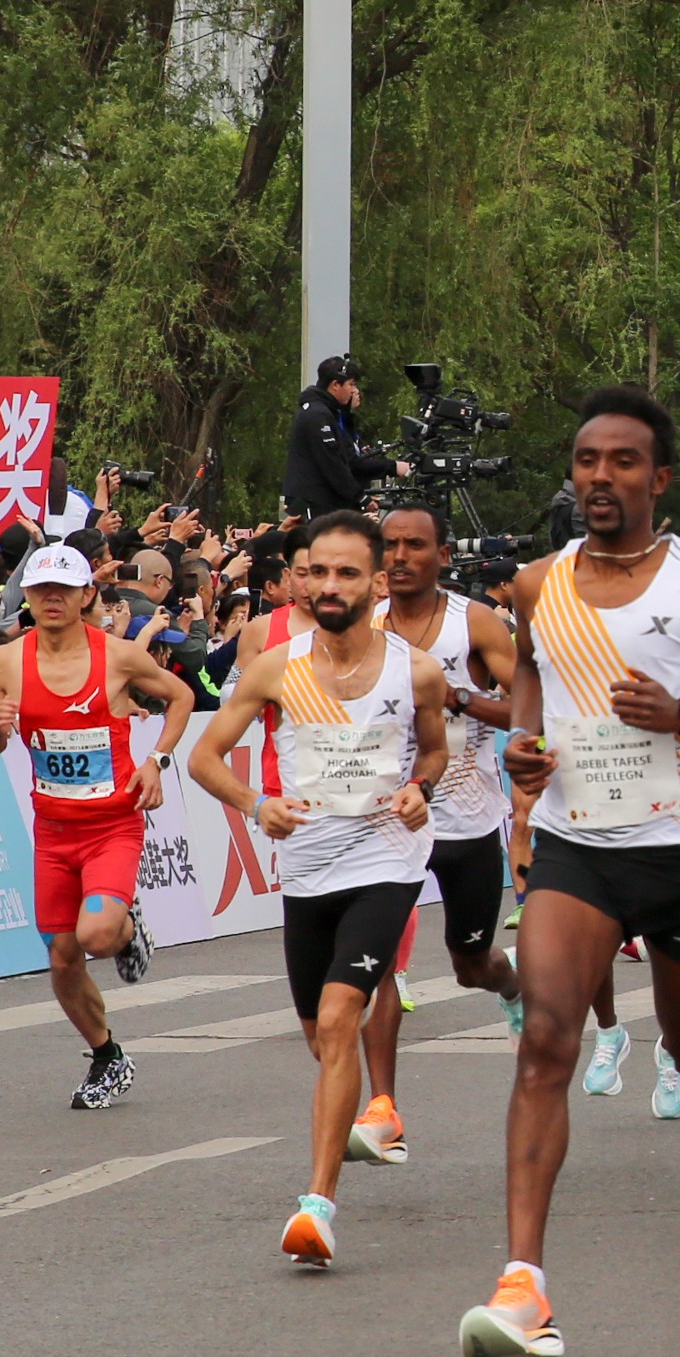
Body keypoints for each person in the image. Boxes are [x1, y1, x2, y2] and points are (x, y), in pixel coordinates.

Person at [455, 387, 680, 1357]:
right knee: (545, 1039)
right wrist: (525, 748)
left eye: (623, 462)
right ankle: (524, 1284)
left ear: (659, 479)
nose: (600, 478)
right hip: (580, 849)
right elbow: (531, 675)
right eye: (586, 461)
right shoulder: (539, 584)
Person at [185, 513, 449, 1265]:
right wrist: (254, 803)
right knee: (319, 1035)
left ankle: (317, 1206)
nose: (329, 585)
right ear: (302, 579)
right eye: (317, 572)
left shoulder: (415, 670)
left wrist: (420, 788)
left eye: (346, 573)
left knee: (340, 1019)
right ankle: (355, 1113)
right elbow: (206, 757)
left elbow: (433, 750)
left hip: (386, 859)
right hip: (305, 869)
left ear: (376, 581)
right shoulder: (276, 666)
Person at [0, 543, 197, 1108]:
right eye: (41, 589)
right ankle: (106, 1056)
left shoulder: (118, 657)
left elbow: (181, 696)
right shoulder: (5, 661)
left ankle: (125, 924)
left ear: (85, 595)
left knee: (97, 935)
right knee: (62, 956)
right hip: (51, 831)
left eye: (64, 590)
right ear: (26, 596)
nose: (52, 599)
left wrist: (157, 761)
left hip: (112, 825)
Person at [349, 504, 526, 1158]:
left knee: (470, 959)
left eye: (414, 545)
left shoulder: (473, 622)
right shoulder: (362, 628)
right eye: (388, 545)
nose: (398, 556)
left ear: (443, 556)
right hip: (390, 822)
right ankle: (384, 1107)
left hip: (467, 819)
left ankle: (511, 987)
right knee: (381, 966)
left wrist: (464, 700)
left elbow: (527, 702)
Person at [283, 356, 410, 518]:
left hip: (319, 500)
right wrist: (360, 497)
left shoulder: (327, 412)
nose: (353, 390)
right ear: (335, 385)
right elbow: (331, 463)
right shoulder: (317, 415)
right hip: (311, 500)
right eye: (351, 384)